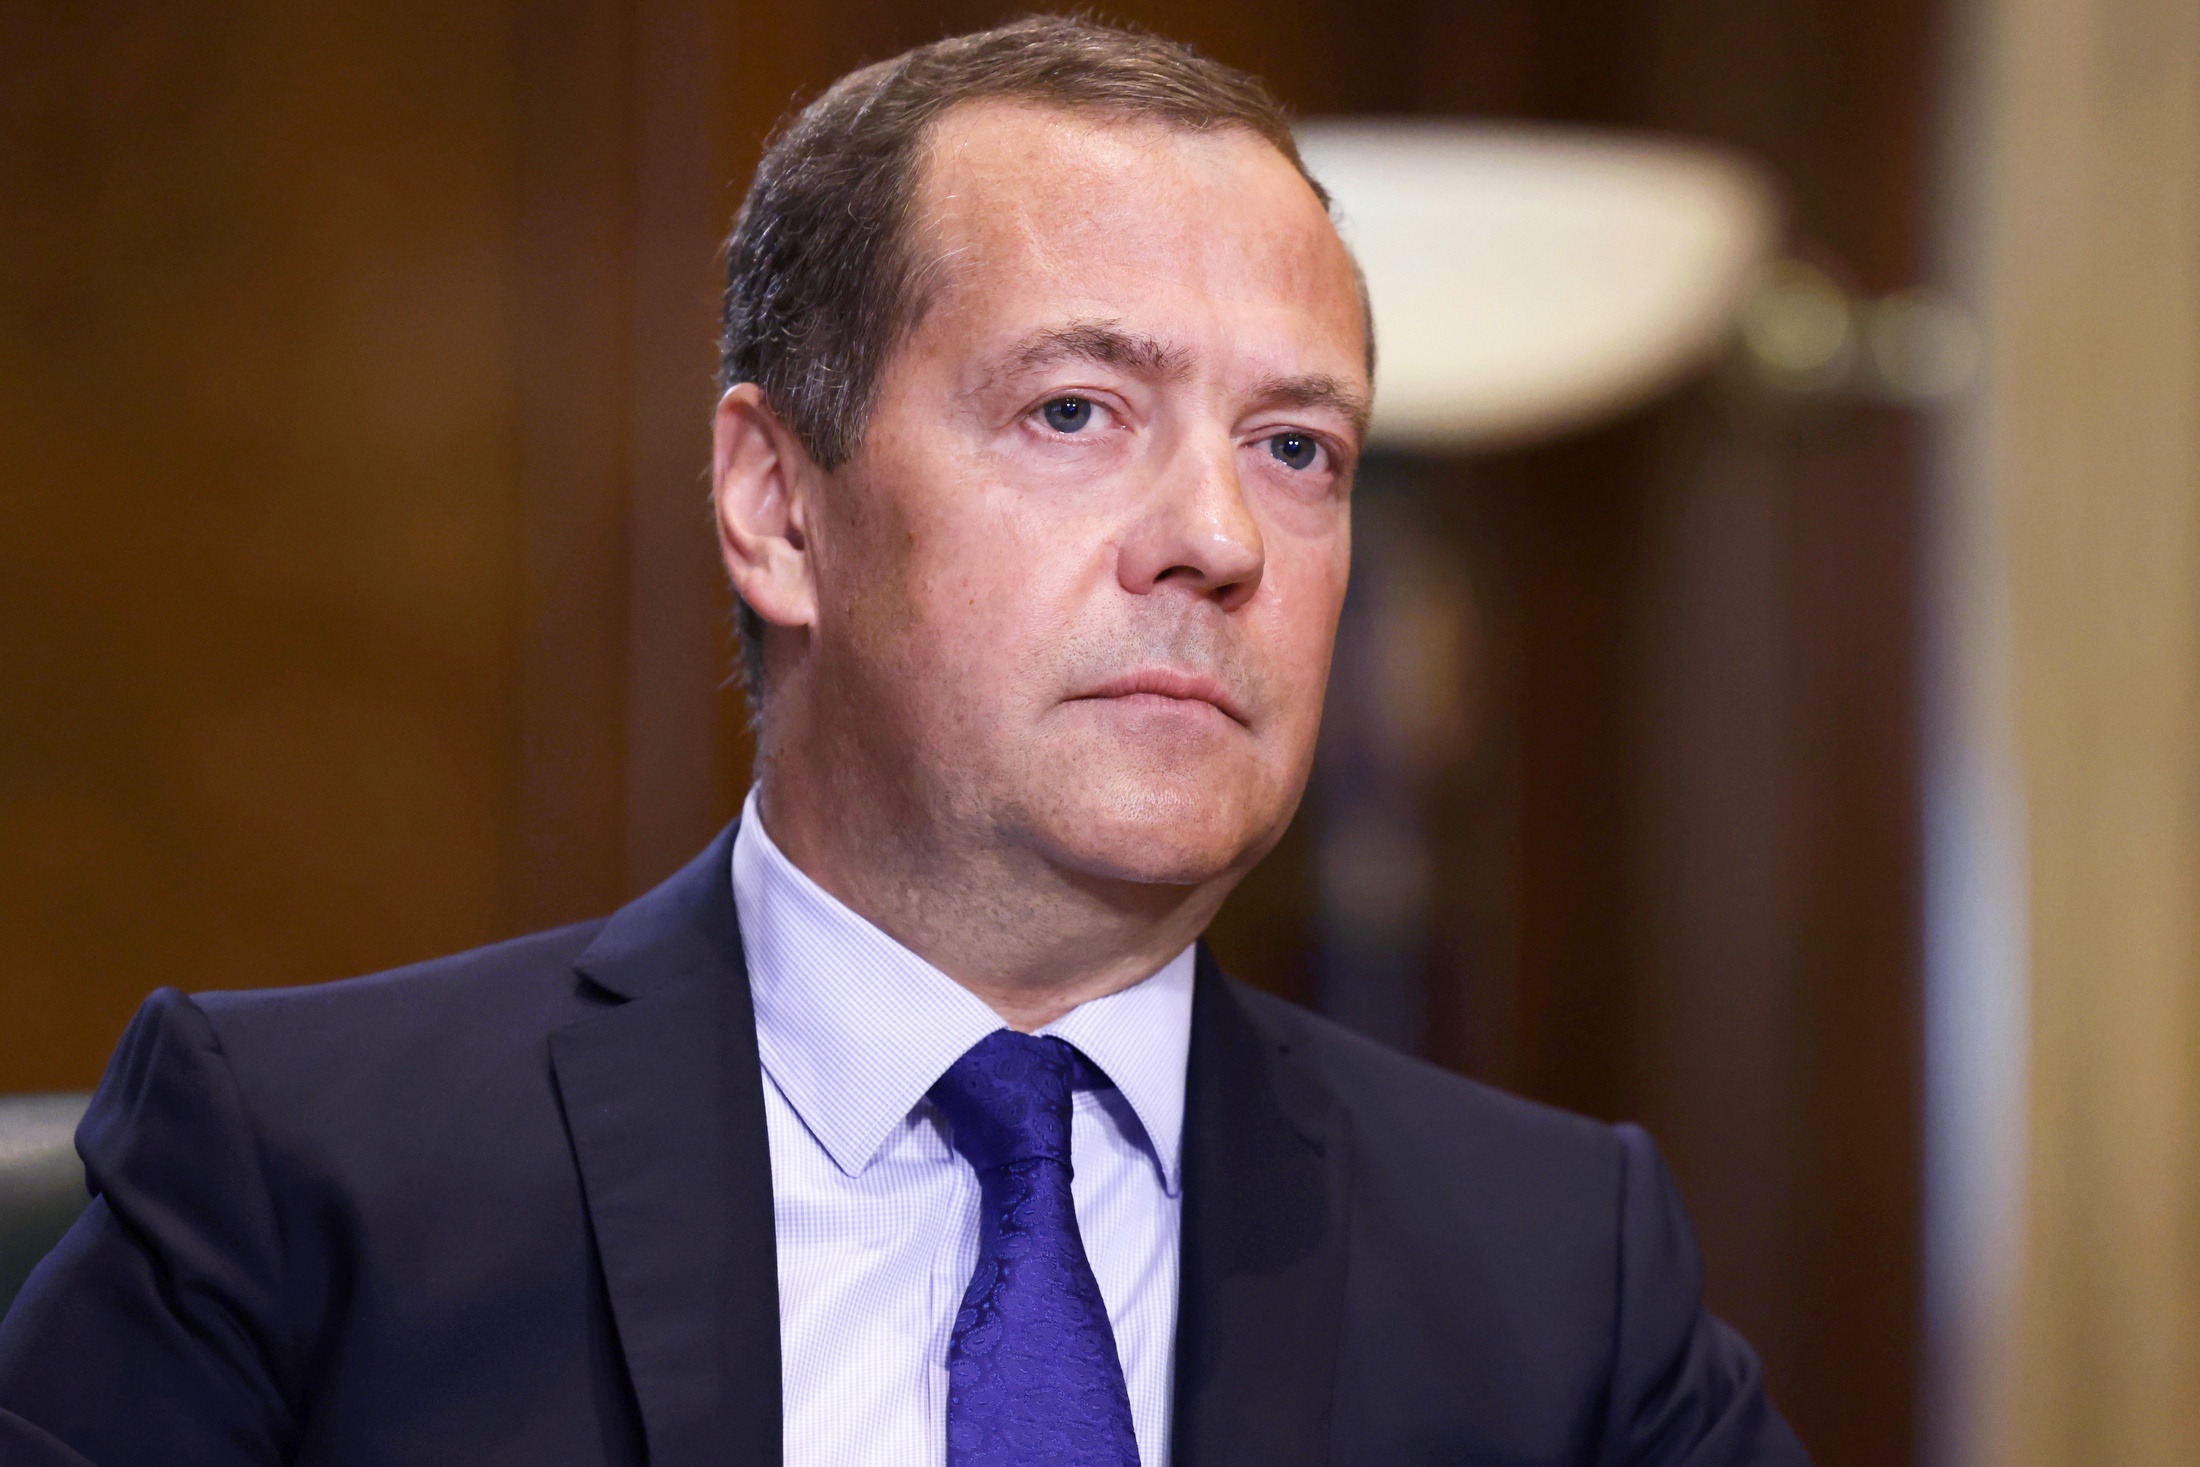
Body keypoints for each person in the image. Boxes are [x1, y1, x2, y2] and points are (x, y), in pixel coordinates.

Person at [0, 17, 1808, 1467]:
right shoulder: (304, 1176)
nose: (1219, 539)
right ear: (777, 507)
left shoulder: (1560, 1270)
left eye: (1295, 449)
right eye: (1077, 410)